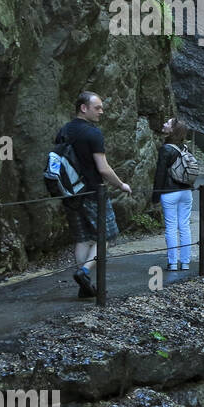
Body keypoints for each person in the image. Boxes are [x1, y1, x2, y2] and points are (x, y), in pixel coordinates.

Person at [57, 91, 130, 298]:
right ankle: (85, 271)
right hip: (92, 192)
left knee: (82, 239)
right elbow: (104, 168)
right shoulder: (93, 133)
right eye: (97, 107)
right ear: (83, 108)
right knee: (103, 237)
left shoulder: (64, 130)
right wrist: (121, 184)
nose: (101, 111)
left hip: (70, 193)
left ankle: (84, 286)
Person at [152, 119, 194, 272]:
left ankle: (173, 263)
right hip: (186, 192)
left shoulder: (166, 149)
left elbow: (160, 174)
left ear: (173, 130)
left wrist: (155, 196)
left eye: (167, 124)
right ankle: (185, 262)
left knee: (171, 227)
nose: (163, 124)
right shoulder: (184, 148)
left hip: (170, 192)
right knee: (184, 226)